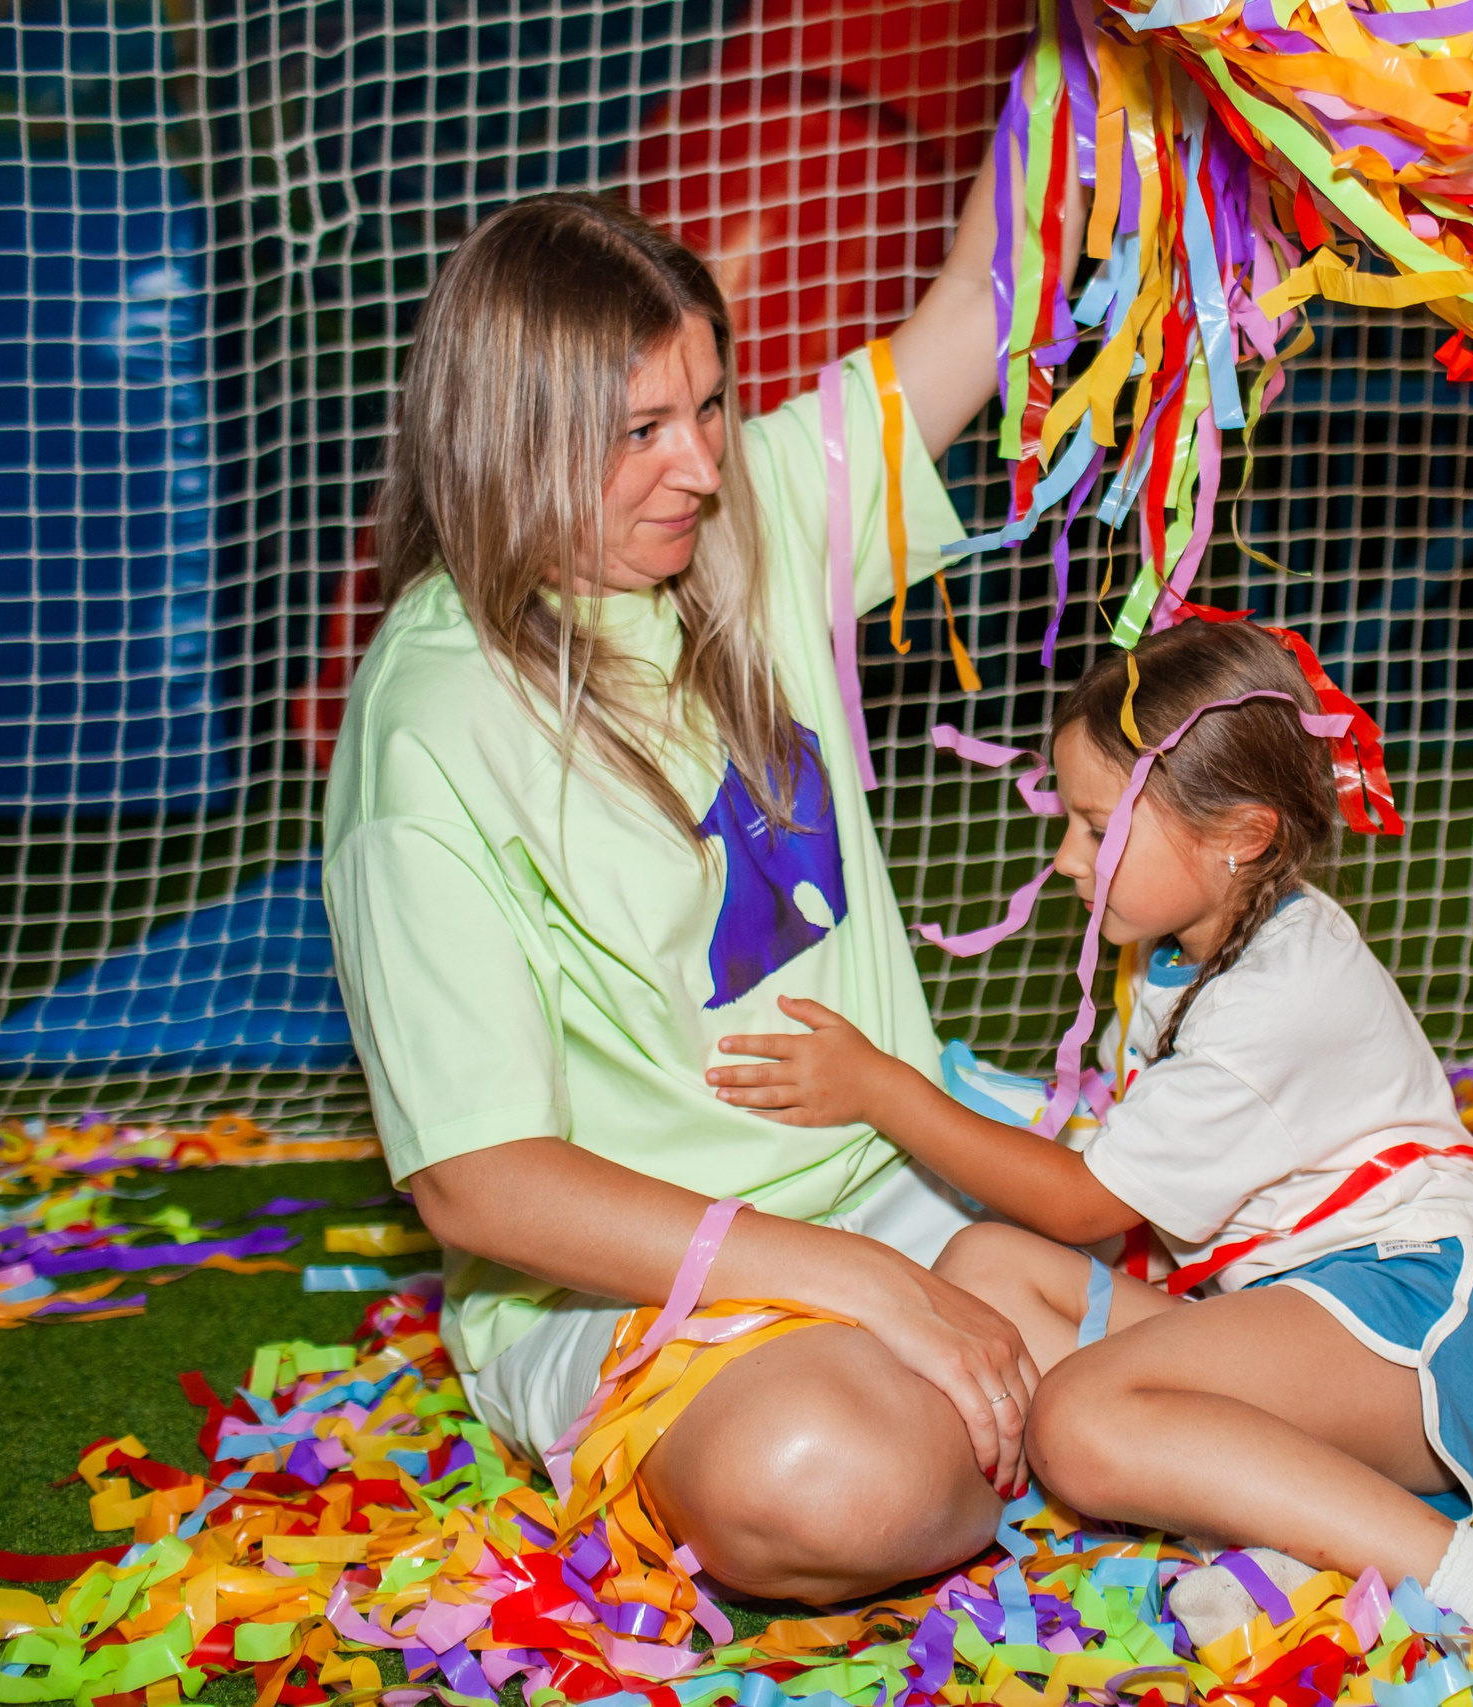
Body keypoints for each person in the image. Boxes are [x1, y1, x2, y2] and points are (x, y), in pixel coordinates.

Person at [324, 131, 1081, 1604]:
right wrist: (856, 1283)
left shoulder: (737, 528)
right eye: (642, 430)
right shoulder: (429, 724)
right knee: (826, 1472)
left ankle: (1005, 1372)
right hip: (640, 1285)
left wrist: (1083, 44)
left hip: (890, 1177)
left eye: (712, 407)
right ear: (512, 440)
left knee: (1242, 1317)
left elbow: (985, 305)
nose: (702, 462)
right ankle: (1008, 1388)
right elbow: (481, 1184)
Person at [709, 620, 1473, 1640]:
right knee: (985, 1266)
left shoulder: (1281, 989)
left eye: (1097, 828)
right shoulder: (1191, 940)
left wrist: (887, 1092)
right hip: (1291, 1314)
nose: (1064, 861)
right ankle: (1282, 1525)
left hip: (1402, 1336)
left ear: (1241, 834)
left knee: (1080, 1419)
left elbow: (1083, 1200)